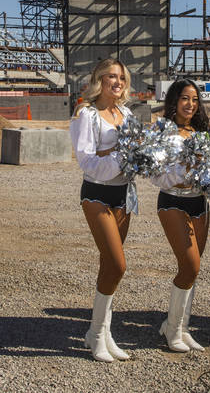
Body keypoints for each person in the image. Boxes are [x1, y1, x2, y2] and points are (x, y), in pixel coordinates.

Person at [69, 58, 135, 362]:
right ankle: (96, 334)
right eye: (111, 76)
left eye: (121, 77)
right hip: (96, 193)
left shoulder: (128, 114)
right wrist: (121, 156)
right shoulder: (87, 115)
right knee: (118, 265)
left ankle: (102, 332)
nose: (117, 82)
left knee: (108, 265)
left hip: (124, 195)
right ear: (99, 80)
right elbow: (86, 160)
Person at [149, 79, 210, 352]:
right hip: (173, 201)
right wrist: (184, 172)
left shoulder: (200, 131)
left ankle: (180, 326)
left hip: (201, 203)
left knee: (192, 269)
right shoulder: (162, 131)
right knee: (190, 266)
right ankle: (172, 330)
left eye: (195, 100)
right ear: (174, 101)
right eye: (185, 98)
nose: (191, 104)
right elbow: (154, 174)